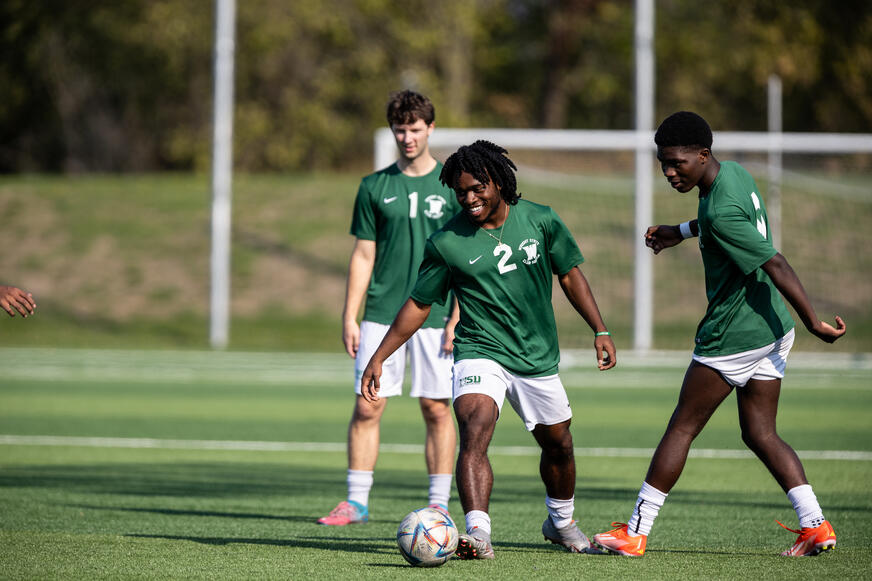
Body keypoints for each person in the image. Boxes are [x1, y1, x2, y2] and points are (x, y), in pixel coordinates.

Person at [593, 111, 846, 558]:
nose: (669, 172)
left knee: (682, 427)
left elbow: (775, 262)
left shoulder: (719, 207)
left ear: (702, 154)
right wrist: (680, 231)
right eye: (663, 163)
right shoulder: (733, 175)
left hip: (734, 334)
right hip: (771, 328)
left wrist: (815, 321)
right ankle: (815, 525)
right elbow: (719, 223)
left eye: (677, 163)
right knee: (761, 433)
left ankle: (635, 532)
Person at [359, 140, 617, 559]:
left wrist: (599, 329)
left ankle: (561, 521)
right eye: (461, 192)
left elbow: (570, 276)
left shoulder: (541, 220)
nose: (470, 199)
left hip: (535, 356)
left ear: (497, 181)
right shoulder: (447, 242)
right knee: (475, 428)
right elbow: (420, 304)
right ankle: (478, 534)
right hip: (479, 349)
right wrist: (379, 356)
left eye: (477, 188)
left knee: (559, 445)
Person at [317, 90, 461, 526]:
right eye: (400, 129)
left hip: (435, 316)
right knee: (367, 405)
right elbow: (363, 255)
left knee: (436, 407)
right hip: (381, 314)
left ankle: (438, 504)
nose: (407, 137)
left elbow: (464, 256)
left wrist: (459, 315)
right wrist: (350, 315)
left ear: (430, 128)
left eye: (415, 129)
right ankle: (356, 502)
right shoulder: (374, 186)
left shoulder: (453, 186)